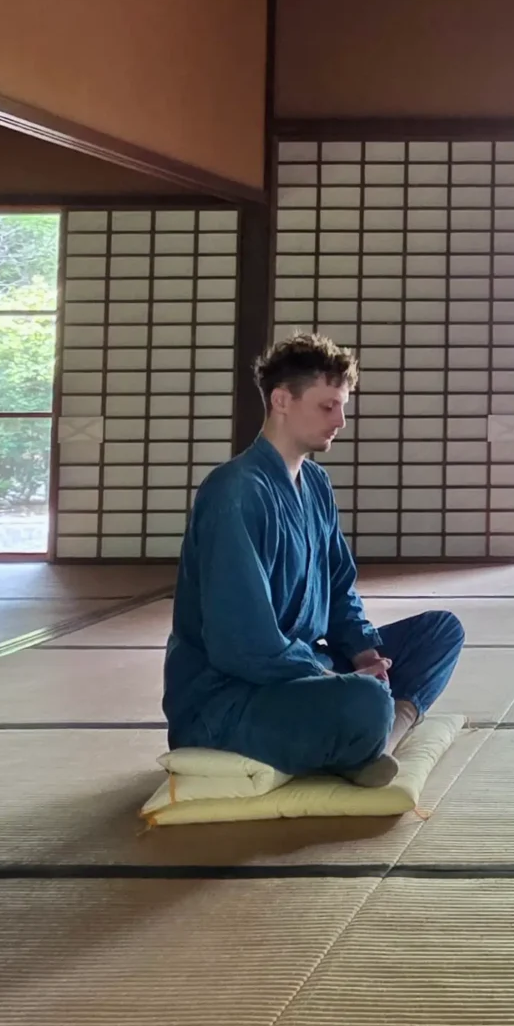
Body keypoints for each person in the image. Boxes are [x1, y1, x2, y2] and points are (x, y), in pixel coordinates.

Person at [163, 332, 464, 787]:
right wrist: (330, 673)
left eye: (343, 406)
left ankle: (374, 739)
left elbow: (340, 588)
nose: (341, 420)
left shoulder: (316, 484)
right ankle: (372, 729)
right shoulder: (236, 492)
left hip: (299, 673)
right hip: (232, 697)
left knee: (441, 631)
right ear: (282, 400)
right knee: (362, 701)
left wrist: (365, 651)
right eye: (328, 406)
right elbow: (241, 644)